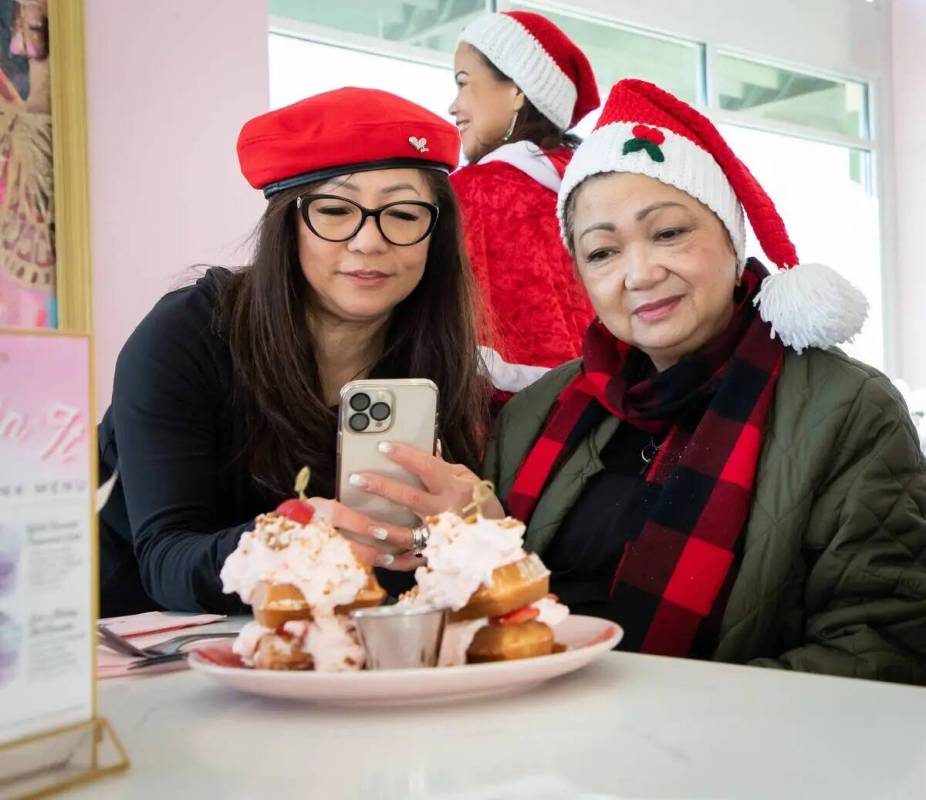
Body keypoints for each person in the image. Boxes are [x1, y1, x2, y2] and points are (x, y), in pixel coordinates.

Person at [356, 80, 926, 684]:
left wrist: (662, 725)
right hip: (539, 755)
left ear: (731, 241)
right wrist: (471, 546)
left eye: (669, 233)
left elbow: (885, 644)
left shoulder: (847, 409)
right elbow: (495, 618)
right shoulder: (537, 412)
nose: (640, 272)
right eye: (601, 252)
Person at [97, 88, 490, 616]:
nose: (369, 241)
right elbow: (165, 562)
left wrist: (464, 534)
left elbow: (406, 578)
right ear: (288, 224)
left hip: (328, 656)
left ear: (434, 234)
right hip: (143, 649)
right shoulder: (187, 334)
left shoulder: (439, 359)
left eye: (402, 213)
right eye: (333, 210)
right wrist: (288, 543)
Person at [449, 11, 599, 394]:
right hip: (605, 413)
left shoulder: (474, 191)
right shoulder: (593, 187)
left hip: (507, 419)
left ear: (517, 90)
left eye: (464, 83)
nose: (454, 106)